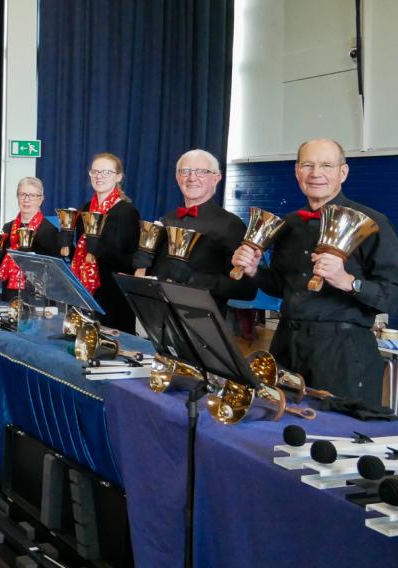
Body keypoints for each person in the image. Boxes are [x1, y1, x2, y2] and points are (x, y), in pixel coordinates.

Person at [232, 138, 398, 405]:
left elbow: (394, 295)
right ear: (297, 171)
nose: (315, 173)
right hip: (286, 344)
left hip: (343, 352)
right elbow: (280, 286)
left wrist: (348, 281)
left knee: (335, 437)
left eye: (326, 165)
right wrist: (254, 271)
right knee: (280, 427)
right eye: (308, 165)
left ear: (342, 172)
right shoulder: (289, 224)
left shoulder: (374, 223)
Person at [132, 149, 255, 311]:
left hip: (201, 321)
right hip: (158, 315)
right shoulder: (167, 220)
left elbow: (247, 290)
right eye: (185, 171)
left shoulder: (231, 225)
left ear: (216, 178)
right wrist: (142, 265)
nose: (192, 178)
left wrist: (192, 279)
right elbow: (156, 273)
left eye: (202, 172)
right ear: (177, 177)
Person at [69, 152, 140, 333]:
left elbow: (130, 263)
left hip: (112, 297)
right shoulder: (85, 209)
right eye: (95, 172)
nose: (99, 176)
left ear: (118, 177)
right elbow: (80, 252)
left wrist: (99, 250)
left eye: (106, 172)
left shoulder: (126, 212)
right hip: (86, 293)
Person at [0, 176, 58, 300]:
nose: (26, 200)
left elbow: (55, 271)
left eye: (32, 196)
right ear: (18, 197)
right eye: (22, 194)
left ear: (41, 199)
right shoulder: (8, 227)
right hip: (10, 292)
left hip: (37, 295)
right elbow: (0, 264)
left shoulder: (49, 230)